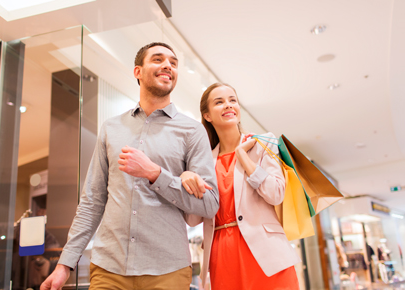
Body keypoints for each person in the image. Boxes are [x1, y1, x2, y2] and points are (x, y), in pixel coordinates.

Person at [40, 42, 219, 290]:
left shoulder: (192, 131)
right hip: (108, 269)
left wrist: (156, 174)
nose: (168, 65)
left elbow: (209, 204)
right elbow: (92, 201)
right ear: (138, 71)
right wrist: (64, 265)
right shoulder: (111, 128)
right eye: (158, 59)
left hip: (167, 270)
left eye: (173, 63)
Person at [183, 83, 301, 290]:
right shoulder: (203, 161)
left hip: (266, 251)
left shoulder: (264, 143)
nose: (228, 105)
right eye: (219, 102)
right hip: (222, 253)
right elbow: (193, 219)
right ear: (207, 115)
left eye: (232, 100)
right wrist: (187, 181)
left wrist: (243, 158)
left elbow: (276, 194)